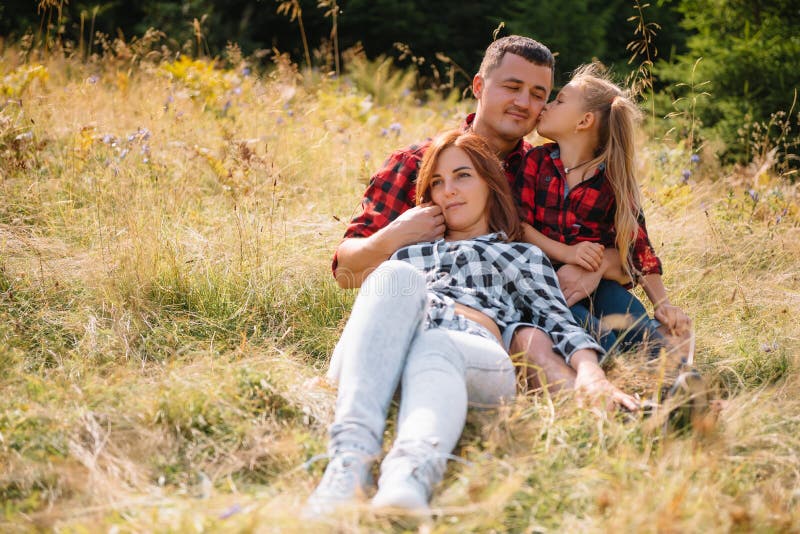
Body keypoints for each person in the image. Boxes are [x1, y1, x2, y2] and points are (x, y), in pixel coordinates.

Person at [305, 130, 637, 518]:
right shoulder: (408, 251)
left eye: (463, 176)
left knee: (437, 345)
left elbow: (558, 320)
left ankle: (409, 476)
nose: (449, 191)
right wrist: (393, 242)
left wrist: (591, 372)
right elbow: (358, 292)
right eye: (437, 183)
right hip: (389, 358)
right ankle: (348, 465)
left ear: (490, 184)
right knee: (395, 275)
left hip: (470, 352)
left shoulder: (520, 254)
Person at [332, 35, 627, 391]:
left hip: (537, 320)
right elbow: (345, 271)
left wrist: (593, 268)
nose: (523, 102)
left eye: (537, 94)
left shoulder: (548, 169)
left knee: (608, 299)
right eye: (512, 87)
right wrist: (395, 235)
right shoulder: (418, 163)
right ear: (479, 86)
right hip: (440, 321)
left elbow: (628, 258)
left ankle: (658, 380)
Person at [517, 63, 692, 354]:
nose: (546, 106)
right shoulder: (536, 162)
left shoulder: (612, 182)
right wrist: (568, 253)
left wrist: (663, 304)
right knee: (601, 338)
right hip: (547, 285)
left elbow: (640, 250)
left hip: (602, 286)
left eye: (559, 101)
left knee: (639, 330)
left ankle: (680, 384)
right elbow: (518, 226)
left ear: (584, 121)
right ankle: (622, 384)